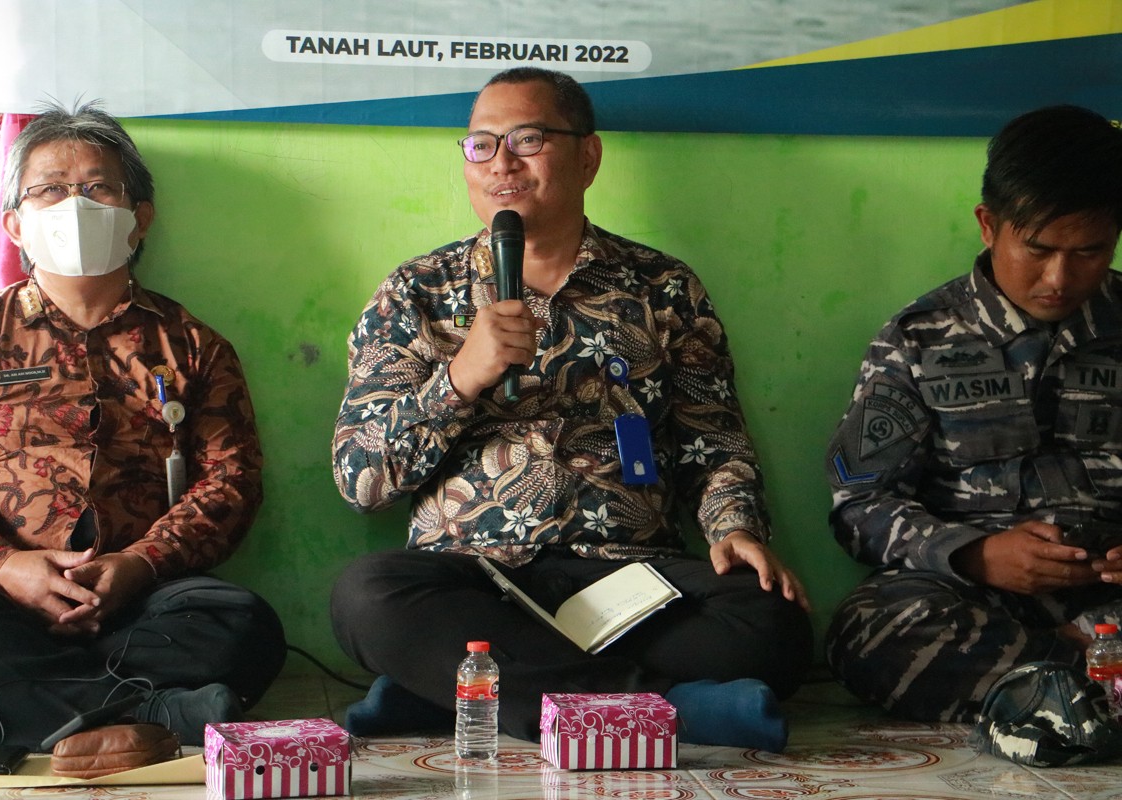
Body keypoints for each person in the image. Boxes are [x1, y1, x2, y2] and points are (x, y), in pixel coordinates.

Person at [330, 67, 812, 749]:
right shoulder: (417, 291)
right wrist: (460, 377)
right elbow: (361, 480)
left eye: (527, 140)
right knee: (367, 597)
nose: (501, 163)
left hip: (627, 577)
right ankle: (672, 711)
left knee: (772, 622)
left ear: (588, 156)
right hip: (476, 576)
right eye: (481, 145)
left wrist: (734, 527)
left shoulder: (661, 286)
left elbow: (715, 441)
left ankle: (458, 693)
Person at [0, 102, 285, 749]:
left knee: (239, 622)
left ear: (139, 217)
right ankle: (149, 714)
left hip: (141, 603)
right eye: (50, 190)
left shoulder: (194, 345)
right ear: (14, 224)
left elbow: (232, 484)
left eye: (97, 187)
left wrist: (138, 566)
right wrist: (7, 567)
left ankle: (21, 704)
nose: (74, 205)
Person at [825, 104, 1122, 722]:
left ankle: (1056, 700)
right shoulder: (919, 339)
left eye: (1090, 252)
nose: (1060, 277)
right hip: (977, 605)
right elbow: (859, 505)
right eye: (1037, 250)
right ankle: (1082, 681)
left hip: (1112, 600)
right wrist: (975, 554)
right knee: (876, 629)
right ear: (989, 225)